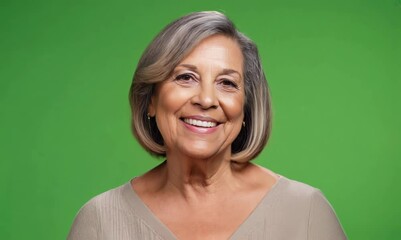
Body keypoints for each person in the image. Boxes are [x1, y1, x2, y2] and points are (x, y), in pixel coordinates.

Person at [68, 11, 347, 240]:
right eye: (186, 77)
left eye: (227, 83)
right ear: (150, 100)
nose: (206, 99)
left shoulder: (305, 211)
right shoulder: (100, 221)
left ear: (245, 108)